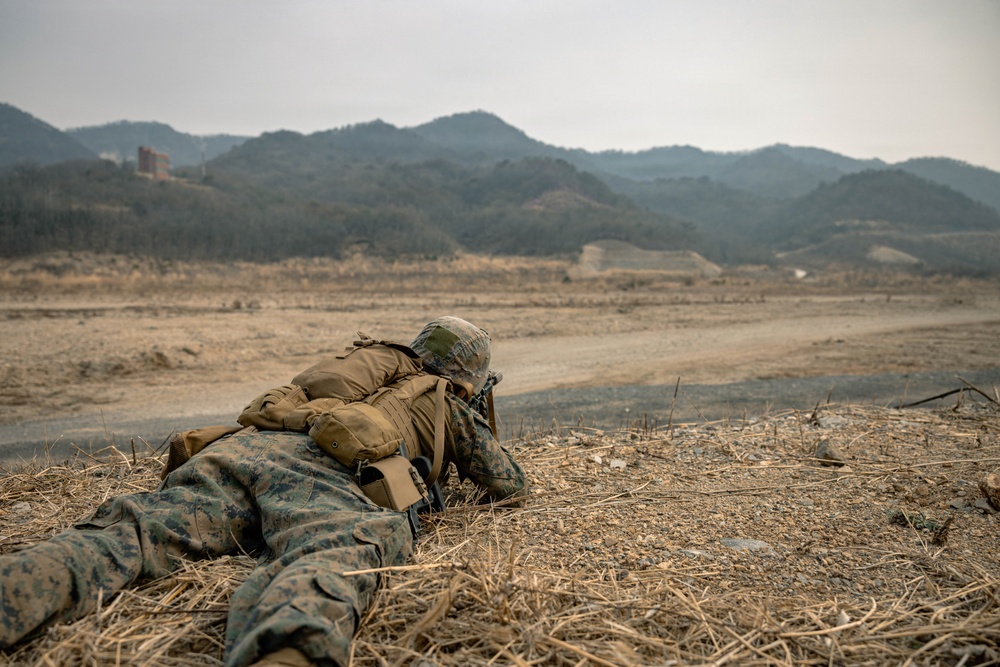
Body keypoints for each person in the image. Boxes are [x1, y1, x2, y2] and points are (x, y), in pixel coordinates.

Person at [0, 316, 528, 667]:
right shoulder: (446, 398)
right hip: (329, 476)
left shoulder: (362, 364)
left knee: (131, 532)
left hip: (241, 451)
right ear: (468, 376)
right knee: (332, 558)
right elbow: (508, 484)